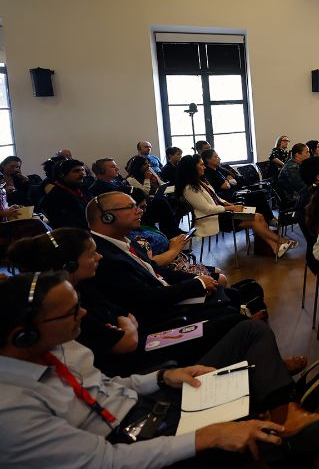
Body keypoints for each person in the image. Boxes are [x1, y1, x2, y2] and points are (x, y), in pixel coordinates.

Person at [0, 272, 319, 468]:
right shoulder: (12, 410)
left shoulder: (61, 344)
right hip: (128, 444)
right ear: (23, 334)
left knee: (248, 330)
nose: (85, 316)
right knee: (253, 444)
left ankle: (281, 417)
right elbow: (105, 461)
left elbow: (107, 385)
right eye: (71, 312)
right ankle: (279, 426)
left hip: (150, 406)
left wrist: (161, 377)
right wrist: (205, 437)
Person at [7, 228, 242, 376]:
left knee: (233, 320)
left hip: (146, 339)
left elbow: (125, 317)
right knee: (234, 323)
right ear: (69, 265)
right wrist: (126, 326)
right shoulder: (68, 304)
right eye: (91, 254)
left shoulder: (84, 287)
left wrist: (125, 325)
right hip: (141, 354)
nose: (99, 257)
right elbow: (125, 343)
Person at [86, 192, 242, 325]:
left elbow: (156, 270)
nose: (139, 211)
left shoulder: (124, 241)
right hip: (163, 316)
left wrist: (197, 278)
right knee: (231, 308)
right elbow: (147, 299)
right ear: (107, 217)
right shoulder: (102, 256)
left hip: (165, 295)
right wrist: (197, 284)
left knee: (235, 293)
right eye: (131, 207)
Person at [176, 155, 294, 260]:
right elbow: (208, 209)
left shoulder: (199, 182)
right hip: (214, 219)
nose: (204, 167)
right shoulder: (190, 189)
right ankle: (280, 241)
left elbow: (216, 198)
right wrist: (230, 209)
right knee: (257, 218)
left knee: (259, 217)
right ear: (192, 168)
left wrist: (229, 204)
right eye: (201, 165)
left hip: (221, 214)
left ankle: (275, 247)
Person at [90, 159, 180, 238]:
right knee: (160, 203)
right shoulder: (100, 186)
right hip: (126, 213)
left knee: (163, 201)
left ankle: (171, 233)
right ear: (101, 171)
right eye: (113, 167)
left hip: (135, 207)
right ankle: (171, 234)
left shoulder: (114, 181)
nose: (117, 169)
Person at [38, 159, 92, 229]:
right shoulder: (55, 197)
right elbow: (71, 224)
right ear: (61, 175)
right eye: (76, 171)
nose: (82, 174)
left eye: (82, 170)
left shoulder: (82, 188)